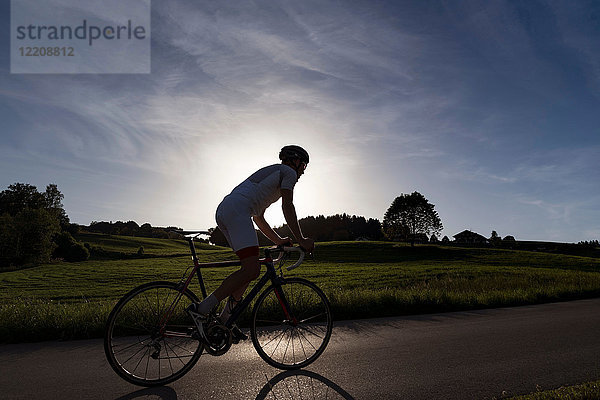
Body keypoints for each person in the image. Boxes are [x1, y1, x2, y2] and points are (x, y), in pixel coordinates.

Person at [191, 145, 315, 340]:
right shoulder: (288, 172)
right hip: (238, 211)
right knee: (251, 269)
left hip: (226, 209)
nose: (303, 172)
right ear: (296, 161)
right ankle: (202, 309)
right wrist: (301, 239)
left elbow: (259, 218)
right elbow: (287, 205)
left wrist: (279, 240)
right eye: (304, 166)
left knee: (249, 269)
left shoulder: (273, 173)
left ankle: (225, 321)